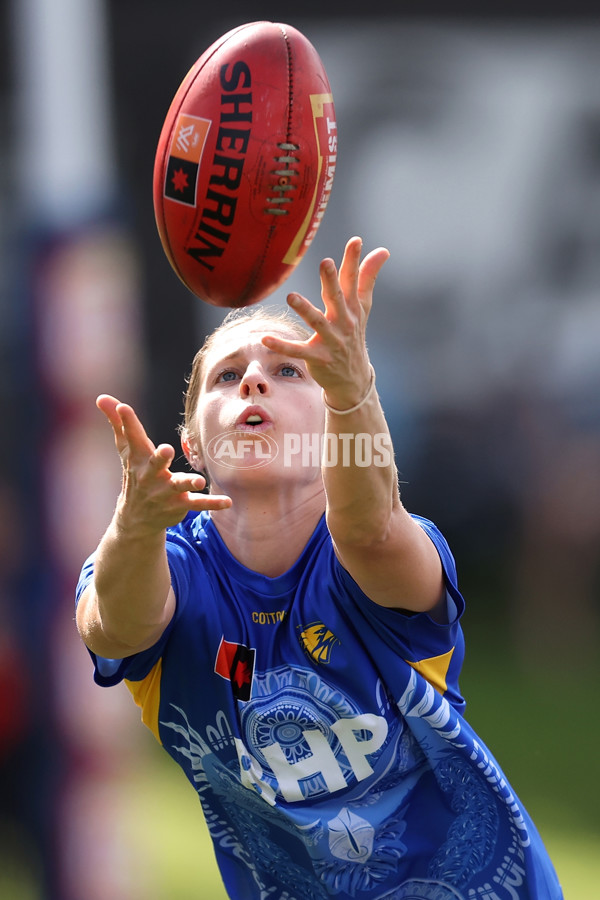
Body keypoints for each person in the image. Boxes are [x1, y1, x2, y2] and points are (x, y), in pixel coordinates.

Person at [75, 237, 563, 900]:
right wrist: (133, 526)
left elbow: (368, 528)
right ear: (193, 443)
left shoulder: (379, 547)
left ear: (331, 426)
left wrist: (353, 388)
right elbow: (113, 628)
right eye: (227, 376)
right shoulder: (163, 561)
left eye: (288, 372)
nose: (253, 380)